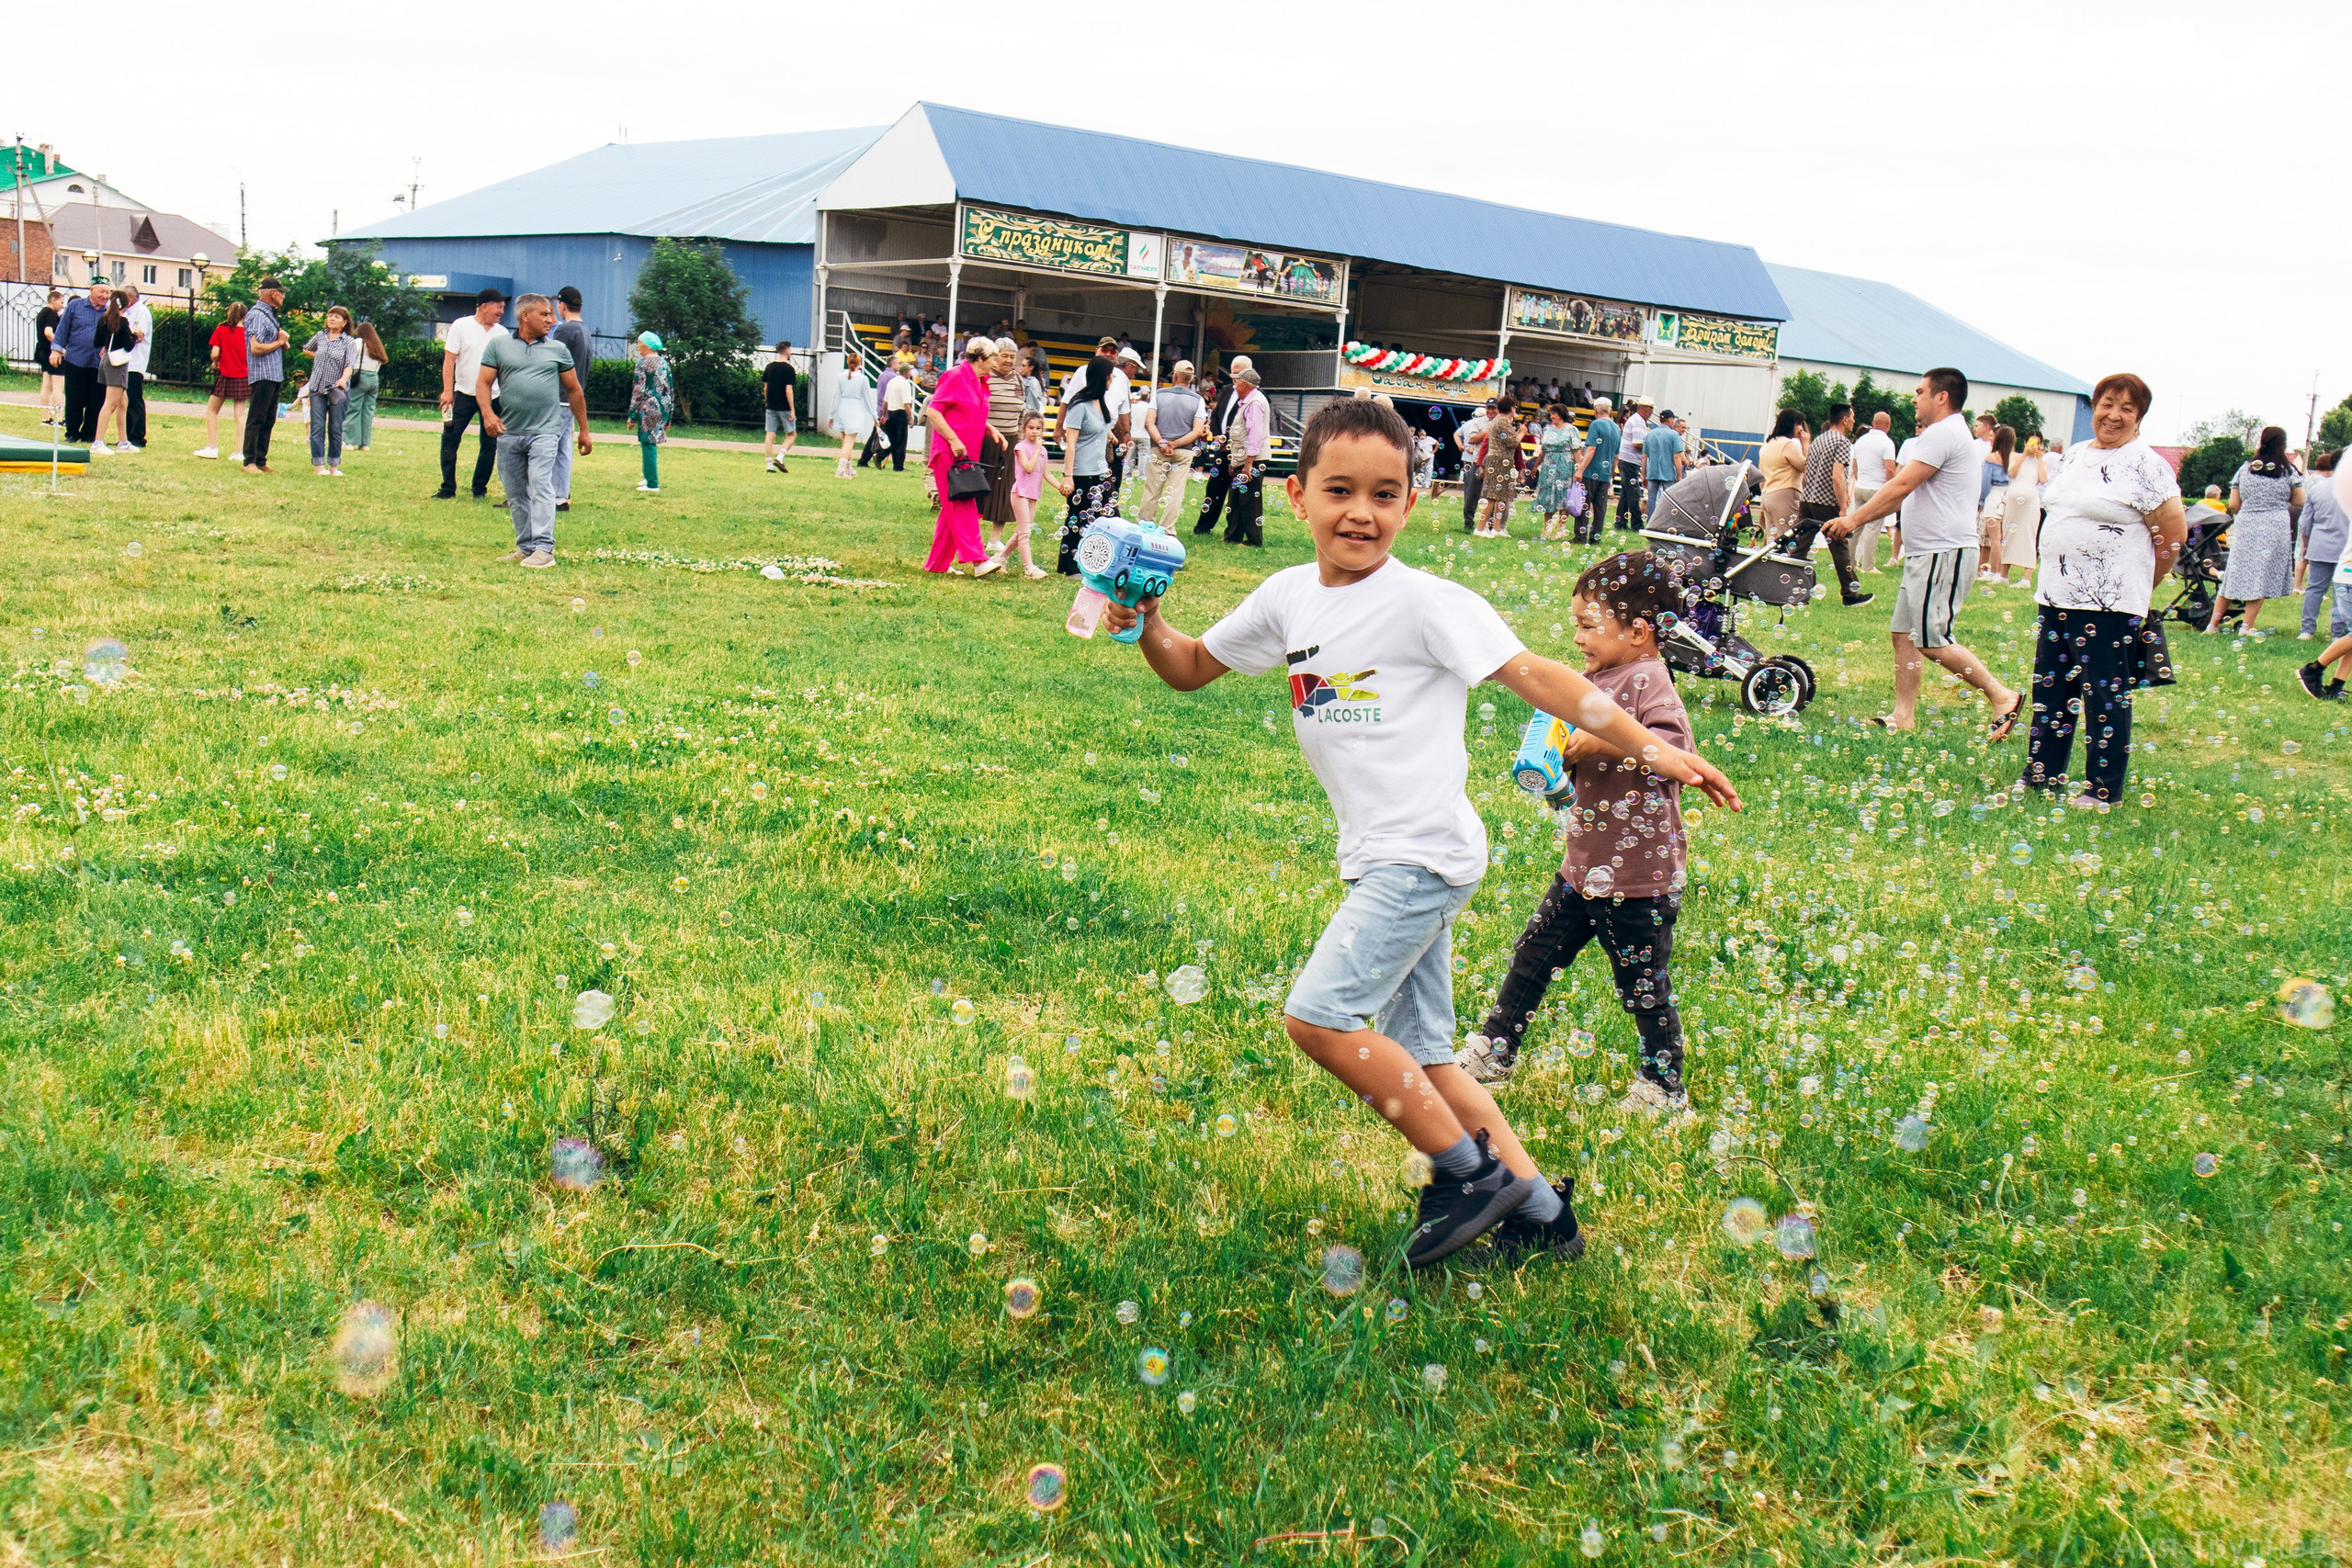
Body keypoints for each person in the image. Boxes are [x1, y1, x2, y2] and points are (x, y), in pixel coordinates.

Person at [1100, 398, 1741, 1268]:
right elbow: (1189, 667)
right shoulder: (1287, 597)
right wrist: (1144, 617)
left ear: (1412, 500)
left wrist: (1653, 750)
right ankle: (1545, 1218)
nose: (1361, 511)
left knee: (1319, 1017)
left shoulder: (1427, 603)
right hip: (1380, 856)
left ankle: (1465, 1174)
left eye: (1385, 493)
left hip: (1424, 853)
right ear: (1297, 497)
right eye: (1339, 490)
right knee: (1426, 1055)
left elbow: (1542, 678)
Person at [1460, 549, 1696, 1111]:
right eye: (1576, 626)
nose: (1578, 639)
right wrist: (1556, 769)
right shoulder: (1594, 679)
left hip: (1638, 876)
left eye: (1589, 626)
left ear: (1639, 631)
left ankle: (1663, 1085)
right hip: (1584, 863)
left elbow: (1674, 752)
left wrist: (1600, 743)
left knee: (1642, 986)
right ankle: (1496, 1047)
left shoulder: (1648, 681)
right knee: (1533, 953)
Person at [1824, 367, 2022, 735]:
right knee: (1903, 634)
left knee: (1932, 638)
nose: (1914, 399)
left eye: (1920, 391)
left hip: (1941, 551)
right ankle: (1903, 715)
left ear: (1941, 397)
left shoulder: (1943, 433)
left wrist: (1852, 521)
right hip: (1925, 552)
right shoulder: (1944, 434)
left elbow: (1902, 485)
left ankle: (2001, 695)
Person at [2023, 373, 2185, 808]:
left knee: (2104, 697)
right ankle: (2042, 774)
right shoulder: (2074, 455)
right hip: (2056, 595)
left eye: (2127, 408)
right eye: (2107, 403)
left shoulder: (2146, 464)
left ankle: (2101, 789)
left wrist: (2139, 589)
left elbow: (2172, 536)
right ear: (2094, 407)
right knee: (2051, 691)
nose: (2114, 415)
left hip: (2110, 605)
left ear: (2139, 419)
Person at [480, 292, 593, 569]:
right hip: (509, 432)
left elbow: (574, 390)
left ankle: (544, 549)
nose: (552, 320)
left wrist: (584, 431)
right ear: (524, 316)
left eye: (552, 314)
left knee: (541, 486)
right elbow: (483, 384)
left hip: (545, 432)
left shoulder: (557, 349)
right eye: (545, 314)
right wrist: (488, 415)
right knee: (516, 493)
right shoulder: (498, 346)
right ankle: (526, 547)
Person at [2209, 426, 2302, 634]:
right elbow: (2299, 500)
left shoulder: (2245, 468)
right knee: (2262, 575)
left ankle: (2212, 625)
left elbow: (2233, 504)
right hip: (2275, 525)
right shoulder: (2288, 471)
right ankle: (2246, 627)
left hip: (2247, 524)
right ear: (2282, 445)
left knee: (2235, 573)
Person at [1789, 401, 1873, 605]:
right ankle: (1850, 594)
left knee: (1799, 548)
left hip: (1807, 500)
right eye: (1852, 419)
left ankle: (1785, 588)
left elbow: (1808, 472)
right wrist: (1843, 507)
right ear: (1845, 420)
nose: (1853, 422)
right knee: (1839, 547)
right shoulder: (1842, 442)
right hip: (1826, 503)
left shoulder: (1819, 439)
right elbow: (1838, 477)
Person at [922, 334, 992, 575]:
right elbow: (934, 412)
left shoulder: (982, 383)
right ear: (981, 358)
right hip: (948, 452)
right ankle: (978, 559)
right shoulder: (954, 377)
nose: (996, 362)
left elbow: (971, 414)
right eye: (993, 357)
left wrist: (991, 430)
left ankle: (936, 565)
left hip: (967, 453)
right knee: (964, 502)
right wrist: (953, 440)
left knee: (952, 506)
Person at [437, 288, 508, 500]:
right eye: (499, 307)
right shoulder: (461, 326)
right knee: (450, 438)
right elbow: (449, 360)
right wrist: (447, 390)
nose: (501, 312)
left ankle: (479, 488)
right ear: (484, 306)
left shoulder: (502, 334)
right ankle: (448, 487)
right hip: (464, 392)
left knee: (490, 443)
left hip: (492, 395)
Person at [1055, 357, 1118, 574]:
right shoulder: (1079, 406)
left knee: (1101, 517)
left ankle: (1091, 560)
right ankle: (1068, 565)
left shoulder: (1101, 403)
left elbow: (1101, 428)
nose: (1112, 379)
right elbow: (1071, 442)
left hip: (1099, 471)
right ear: (1103, 377)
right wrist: (1068, 475)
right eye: (1110, 375)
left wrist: (1113, 437)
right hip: (1081, 471)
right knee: (1076, 516)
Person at [1135, 359, 1206, 532]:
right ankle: (1167, 529)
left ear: (1174, 375)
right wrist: (1175, 444)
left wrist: (1163, 442)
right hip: (1183, 451)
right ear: (1191, 379)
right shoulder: (1198, 400)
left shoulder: (1158, 395)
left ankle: (1145, 524)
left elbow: (1149, 423)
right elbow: (1197, 431)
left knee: (1152, 489)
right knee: (1175, 492)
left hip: (1158, 449)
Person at [978, 410, 1051, 580]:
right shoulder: (1020, 448)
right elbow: (1028, 467)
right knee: (1025, 533)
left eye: (1038, 428)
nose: (1035, 431)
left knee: (1022, 532)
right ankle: (1029, 568)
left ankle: (1001, 557)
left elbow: (1046, 474)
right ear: (1024, 428)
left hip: (1033, 495)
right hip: (1020, 494)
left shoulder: (1043, 451)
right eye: (1031, 428)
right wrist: (1037, 449)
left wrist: (1062, 488)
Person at [296, 305, 362, 476]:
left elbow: (350, 365)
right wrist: (318, 356)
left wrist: (343, 379)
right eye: (330, 315)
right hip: (317, 386)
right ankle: (318, 465)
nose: (332, 318)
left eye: (337, 317)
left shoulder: (348, 341)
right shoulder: (320, 336)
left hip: (336, 389)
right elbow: (306, 349)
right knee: (317, 426)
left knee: (335, 427)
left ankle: (334, 465)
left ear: (345, 322)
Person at [977, 339, 1026, 559]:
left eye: (1012, 357)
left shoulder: (1018, 380)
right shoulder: (985, 378)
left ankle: (994, 539)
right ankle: (973, 536)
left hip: (1011, 441)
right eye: (1004, 356)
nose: (1008, 360)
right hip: (985, 440)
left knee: (1006, 490)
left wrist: (1022, 441)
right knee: (978, 488)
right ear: (995, 356)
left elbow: (1022, 412)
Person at [1193, 355, 1253, 536]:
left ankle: (1233, 530)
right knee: (1213, 488)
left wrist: (1230, 442)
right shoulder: (1227, 390)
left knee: (1236, 494)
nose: (1235, 378)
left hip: (1238, 450)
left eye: (1239, 374)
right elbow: (1217, 415)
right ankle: (1204, 526)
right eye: (1233, 374)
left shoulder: (1255, 395)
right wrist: (1218, 436)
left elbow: (1248, 426)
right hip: (1222, 449)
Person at [48, 278, 110, 446]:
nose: (105, 296)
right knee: (75, 398)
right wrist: (56, 349)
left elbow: (115, 333)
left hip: (99, 364)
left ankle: (90, 434)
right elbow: (62, 329)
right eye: (101, 292)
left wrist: (108, 345)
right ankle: (72, 432)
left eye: (108, 292)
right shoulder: (75, 306)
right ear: (91, 290)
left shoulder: (110, 312)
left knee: (96, 400)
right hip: (76, 360)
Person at [548, 290, 594, 507]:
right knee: (564, 449)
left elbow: (552, 363)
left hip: (558, 397)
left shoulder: (565, 330)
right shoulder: (584, 330)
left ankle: (545, 494)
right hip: (573, 399)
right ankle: (560, 495)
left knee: (547, 447)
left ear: (561, 305)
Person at [241, 277, 292, 473]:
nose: (284, 296)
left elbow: (270, 342)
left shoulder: (269, 315)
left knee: (269, 419)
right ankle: (249, 462)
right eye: (282, 292)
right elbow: (255, 348)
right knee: (257, 418)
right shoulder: (257, 315)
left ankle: (261, 461)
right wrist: (279, 343)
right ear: (272, 293)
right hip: (263, 374)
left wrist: (281, 342)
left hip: (274, 375)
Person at [2296, 450, 2346, 640]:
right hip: (2346, 549)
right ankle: (2338, 633)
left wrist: (2307, 545)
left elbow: (2306, 523)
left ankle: (2306, 630)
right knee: (2342, 592)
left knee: (2315, 589)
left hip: (2320, 545)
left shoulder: (2317, 489)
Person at [194, 302, 250, 458]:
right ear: (245, 316)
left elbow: (214, 353)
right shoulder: (247, 333)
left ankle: (212, 447)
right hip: (243, 376)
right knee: (240, 415)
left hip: (226, 375)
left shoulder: (221, 329)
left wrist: (215, 362)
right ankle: (239, 451)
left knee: (212, 410)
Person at [1849, 410, 1898, 571]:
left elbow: (1854, 466)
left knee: (1856, 526)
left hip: (1860, 486)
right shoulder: (1887, 443)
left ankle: (1849, 562)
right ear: (1888, 425)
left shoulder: (1861, 441)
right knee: (1873, 527)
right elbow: (1890, 470)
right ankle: (1868, 565)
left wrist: (1860, 479)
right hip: (1876, 488)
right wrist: (1890, 489)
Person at [91, 291, 137, 456]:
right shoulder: (123, 321)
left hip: (106, 362)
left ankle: (123, 441)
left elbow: (97, 342)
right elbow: (128, 345)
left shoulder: (103, 319)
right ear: (125, 305)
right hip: (117, 364)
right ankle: (98, 442)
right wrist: (135, 336)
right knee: (110, 404)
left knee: (123, 402)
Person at [626, 332, 672, 492]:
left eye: (639, 343)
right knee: (648, 443)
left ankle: (652, 484)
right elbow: (670, 389)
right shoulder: (664, 362)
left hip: (649, 409)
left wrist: (632, 415)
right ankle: (648, 478)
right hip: (662, 408)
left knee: (648, 444)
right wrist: (669, 416)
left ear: (647, 345)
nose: (637, 346)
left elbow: (639, 391)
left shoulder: (642, 363)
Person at [1999, 433, 2048, 584]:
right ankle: (2003, 575)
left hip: (2031, 502)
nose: (2034, 445)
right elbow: (2012, 473)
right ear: (2025, 442)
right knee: (2008, 534)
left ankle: (2026, 578)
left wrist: (2039, 457)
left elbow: (2043, 479)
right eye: (2031, 442)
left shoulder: (2042, 461)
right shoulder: (2015, 456)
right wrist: (2025, 455)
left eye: (2037, 442)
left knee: (2029, 535)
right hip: (2014, 501)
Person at [1532, 404, 1584, 539]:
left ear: (1561, 414)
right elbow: (1543, 450)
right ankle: (1547, 528)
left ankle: (1561, 528)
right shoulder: (1548, 429)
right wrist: (1536, 465)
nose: (1551, 416)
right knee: (1547, 495)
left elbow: (1577, 451)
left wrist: (1579, 469)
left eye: (1553, 413)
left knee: (1563, 496)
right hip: (1548, 466)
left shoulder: (1572, 430)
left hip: (1565, 465)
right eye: (1550, 414)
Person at [1758, 408, 1808, 537]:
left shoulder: (1768, 444)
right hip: (1785, 495)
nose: (1802, 429)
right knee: (1787, 538)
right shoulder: (1788, 445)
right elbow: (1808, 468)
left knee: (1773, 540)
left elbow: (1762, 476)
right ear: (1790, 424)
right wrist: (1806, 445)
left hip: (1767, 494)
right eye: (1799, 424)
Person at [1976, 423, 2016, 581]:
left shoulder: (1992, 458)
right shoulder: (2013, 457)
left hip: (1993, 496)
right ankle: (1998, 571)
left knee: (1994, 538)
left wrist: (1981, 500)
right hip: (2007, 496)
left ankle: (1994, 572)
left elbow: (1985, 483)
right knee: (1999, 538)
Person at [1576, 396, 1619, 541]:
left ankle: (1580, 537)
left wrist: (1580, 469)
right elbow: (1616, 457)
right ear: (1610, 410)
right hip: (1605, 474)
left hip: (1590, 471)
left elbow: (1591, 449)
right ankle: (1596, 536)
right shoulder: (1617, 429)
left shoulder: (1596, 424)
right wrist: (1611, 474)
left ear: (1595, 410)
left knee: (1584, 504)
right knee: (1600, 508)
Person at [1476, 399, 1520, 536]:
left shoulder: (1499, 420)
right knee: (1493, 496)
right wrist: (1522, 432)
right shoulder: (1503, 421)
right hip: (1498, 461)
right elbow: (1512, 442)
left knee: (1501, 496)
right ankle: (1480, 528)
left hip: (1502, 460)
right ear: (1512, 408)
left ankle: (1497, 528)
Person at [831, 347, 876, 479]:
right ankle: (840, 471)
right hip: (854, 409)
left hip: (842, 408)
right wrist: (874, 415)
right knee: (849, 441)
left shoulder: (840, 377)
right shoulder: (862, 379)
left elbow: (836, 396)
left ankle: (848, 469)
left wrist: (831, 414)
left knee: (845, 441)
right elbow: (867, 399)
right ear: (859, 364)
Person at [346, 321, 389, 454]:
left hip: (360, 377)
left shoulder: (358, 342)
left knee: (353, 408)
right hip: (373, 379)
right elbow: (380, 363)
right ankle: (365, 443)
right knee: (368, 411)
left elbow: (350, 359)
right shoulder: (376, 345)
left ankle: (349, 441)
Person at [119, 282, 153, 452]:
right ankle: (128, 434)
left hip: (135, 361)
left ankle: (137, 436)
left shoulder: (141, 312)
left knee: (134, 399)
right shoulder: (129, 311)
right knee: (125, 400)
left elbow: (139, 334)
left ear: (130, 298)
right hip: (126, 361)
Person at [1643, 405, 1688, 521]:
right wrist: (1679, 475)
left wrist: (1644, 475)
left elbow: (1644, 457)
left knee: (1651, 498)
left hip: (1652, 471)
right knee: (1669, 498)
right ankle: (1666, 522)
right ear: (1670, 420)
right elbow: (1677, 457)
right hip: (1668, 473)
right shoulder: (1674, 435)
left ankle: (1650, 522)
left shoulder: (1650, 434)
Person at [1455, 400, 1493, 534]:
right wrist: (1488, 432)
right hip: (1478, 461)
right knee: (1472, 493)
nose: (1491, 411)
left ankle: (1490, 524)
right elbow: (1471, 440)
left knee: (1492, 495)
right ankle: (1468, 523)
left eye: (1493, 408)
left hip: (1495, 462)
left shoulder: (1501, 422)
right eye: (1489, 408)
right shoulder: (1477, 422)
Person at [1615, 396, 1653, 530]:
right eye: (1651, 409)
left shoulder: (1637, 420)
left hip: (1628, 461)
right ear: (1645, 408)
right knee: (1634, 493)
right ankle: (1636, 524)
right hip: (1630, 461)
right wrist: (1650, 447)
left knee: (1626, 494)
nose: (1652, 412)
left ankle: (1620, 522)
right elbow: (1637, 443)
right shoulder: (1638, 422)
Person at [762, 343, 798, 474]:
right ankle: (780, 457)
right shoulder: (789, 369)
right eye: (790, 350)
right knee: (791, 434)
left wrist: (767, 401)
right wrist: (792, 409)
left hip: (771, 406)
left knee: (770, 434)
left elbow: (765, 388)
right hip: (784, 407)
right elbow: (788, 390)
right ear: (787, 351)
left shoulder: (769, 367)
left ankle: (769, 465)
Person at [881, 353, 917, 471]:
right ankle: (898, 465)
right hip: (900, 413)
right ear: (906, 372)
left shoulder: (892, 382)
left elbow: (885, 401)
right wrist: (911, 418)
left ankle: (886, 459)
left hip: (891, 412)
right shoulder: (905, 384)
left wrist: (884, 414)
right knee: (901, 441)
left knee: (894, 440)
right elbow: (906, 404)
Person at [35, 289, 64, 425]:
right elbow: (48, 332)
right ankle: (59, 419)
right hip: (51, 352)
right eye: (61, 302)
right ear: (53, 299)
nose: (61, 306)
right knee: (58, 386)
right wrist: (59, 347)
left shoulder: (41, 313)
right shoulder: (51, 314)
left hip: (42, 351)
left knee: (45, 385)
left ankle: (45, 417)